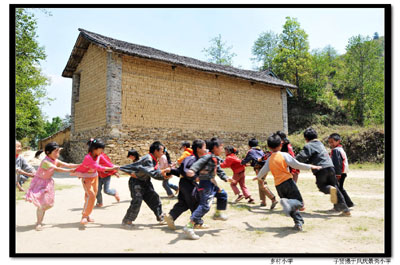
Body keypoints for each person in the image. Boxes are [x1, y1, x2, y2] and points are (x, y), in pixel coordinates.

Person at [257, 134, 321, 231]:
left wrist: (257, 177)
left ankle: (298, 223)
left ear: (269, 147)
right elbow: (297, 165)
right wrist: (311, 166)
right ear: (280, 145)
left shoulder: (269, 159)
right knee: (299, 203)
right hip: (288, 182)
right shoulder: (284, 155)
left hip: (279, 186)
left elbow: (263, 171)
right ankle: (289, 204)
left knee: (290, 207)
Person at [183, 137, 233, 240]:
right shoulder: (207, 157)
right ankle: (189, 226)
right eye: (221, 147)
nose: (222, 150)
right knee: (205, 206)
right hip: (205, 185)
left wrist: (225, 178)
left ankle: (218, 214)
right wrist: (192, 170)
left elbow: (218, 169)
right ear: (215, 147)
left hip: (212, 184)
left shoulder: (214, 158)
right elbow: (199, 163)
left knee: (222, 194)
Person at [295, 128, 351, 216]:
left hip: (320, 168)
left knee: (322, 186)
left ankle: (330, 189)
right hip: (331, 166)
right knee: (336, 187)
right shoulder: (320, 144)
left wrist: (293, 161)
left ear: (306, 139)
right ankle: (345, 210)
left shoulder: (309, 145)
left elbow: (302, 157)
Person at [25, 142, 79, 231]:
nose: (58, 154)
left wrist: (81, 165)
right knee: (41, 205)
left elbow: (68, 165)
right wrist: (71, 171)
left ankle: (40, 219)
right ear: (48, 152)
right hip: (39, 183)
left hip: (48, 183)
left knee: (47, 204)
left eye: (58, 151)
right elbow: (57, 169)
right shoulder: (46, 162)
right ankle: (39, 223)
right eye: (56, 151)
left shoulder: (54, 160)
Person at [119, 141, 171, 229]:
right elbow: (152, 172)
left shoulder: (154, 160)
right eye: (162, 150)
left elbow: (155, 174)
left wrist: (165, 177)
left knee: (154, 197)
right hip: (136, 182)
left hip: (145, 181)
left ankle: (160, 216)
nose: (163, 152)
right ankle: (127, 221)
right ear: (156, 151)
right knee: (137, 201)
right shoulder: (148, 159)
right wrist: (163, 172)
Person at [71, 139, 120, 225]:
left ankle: (87, 215)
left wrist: (114, 167)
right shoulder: (88, 158)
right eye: (101, 149)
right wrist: (112, 168)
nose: (102, 151)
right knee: (91, 196)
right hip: (87, 179)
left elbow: (107, 163)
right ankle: (84, 216)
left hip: (95, 177)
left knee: (89, 197)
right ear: (94, 149)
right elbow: (99, 167)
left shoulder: (99, 156)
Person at [164, 139, 207, 230]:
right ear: (199, 149)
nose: (206, 149)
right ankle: (197, 223)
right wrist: (194, 177)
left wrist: (171, 171)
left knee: (183, 203)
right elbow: (185, 170)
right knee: (196, 201)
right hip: (188, 184)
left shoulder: (196, 159)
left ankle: (171, 216)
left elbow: (180, 170)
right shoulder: (192, 158)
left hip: (185, 184)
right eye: (204, 147)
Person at [241, 138, 278, 209]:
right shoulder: (260, 150)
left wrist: (242, 162)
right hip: (265, 168)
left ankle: (273, 199)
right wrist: (249, 165)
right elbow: (256, 160)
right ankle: (263, 201)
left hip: (259, 169)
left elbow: (245, 161)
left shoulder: (251, 151)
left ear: (249, 145)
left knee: (262, 185)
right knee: (260, 184)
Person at [328, 133, 354, 209]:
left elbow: (337, 163)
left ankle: (338, 206)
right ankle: (349, 203)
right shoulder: (340, 149)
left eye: (332, 142)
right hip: (342, 172)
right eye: (329, 142)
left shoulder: (336, 150)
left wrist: (337, 174)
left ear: (338, 141)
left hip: (339, 173)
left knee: (336, 190)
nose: (330, 144)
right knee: (340, 188)